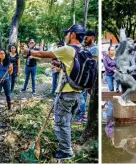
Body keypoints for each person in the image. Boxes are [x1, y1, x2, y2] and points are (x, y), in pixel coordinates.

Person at [22, 24, 87, 159]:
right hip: (77, 94)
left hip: (66, 93)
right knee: (67, 121)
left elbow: (43, 54)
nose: (66, 36)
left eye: (67, 34)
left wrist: (29, 52)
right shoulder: (83, 51)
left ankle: (65, 151)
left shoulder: (68, 49)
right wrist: (59, 65)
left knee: (62, 123)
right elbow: (72, 69)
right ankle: (66, 146)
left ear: (73, 35)